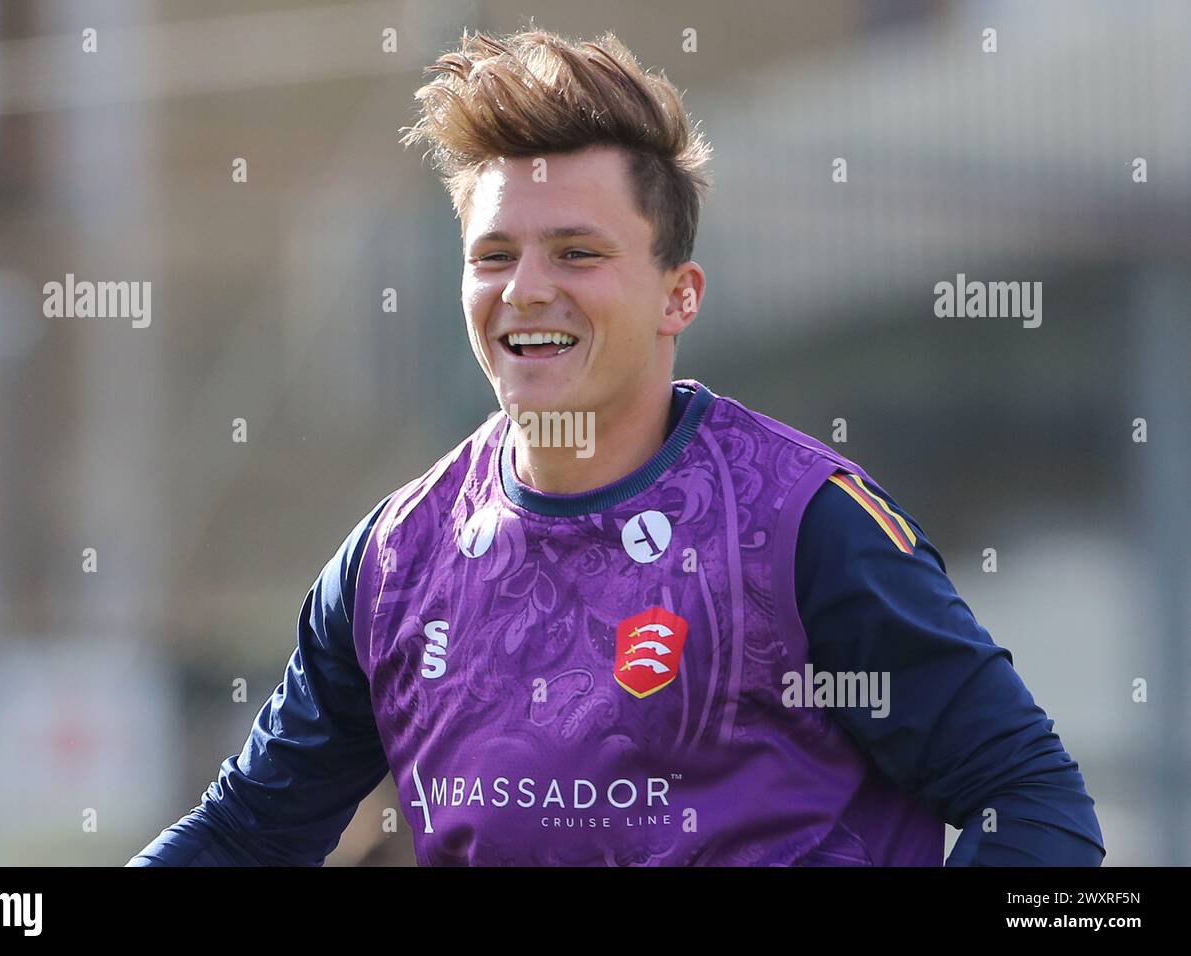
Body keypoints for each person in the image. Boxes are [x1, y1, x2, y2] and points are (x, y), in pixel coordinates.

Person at [129, 27, 1103, 866]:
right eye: (494, 256)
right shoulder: (393, 563)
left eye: (577, 252)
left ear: (678, 292)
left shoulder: (802, 525)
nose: (527, 289)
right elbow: (247, 834)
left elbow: (1030, 804)